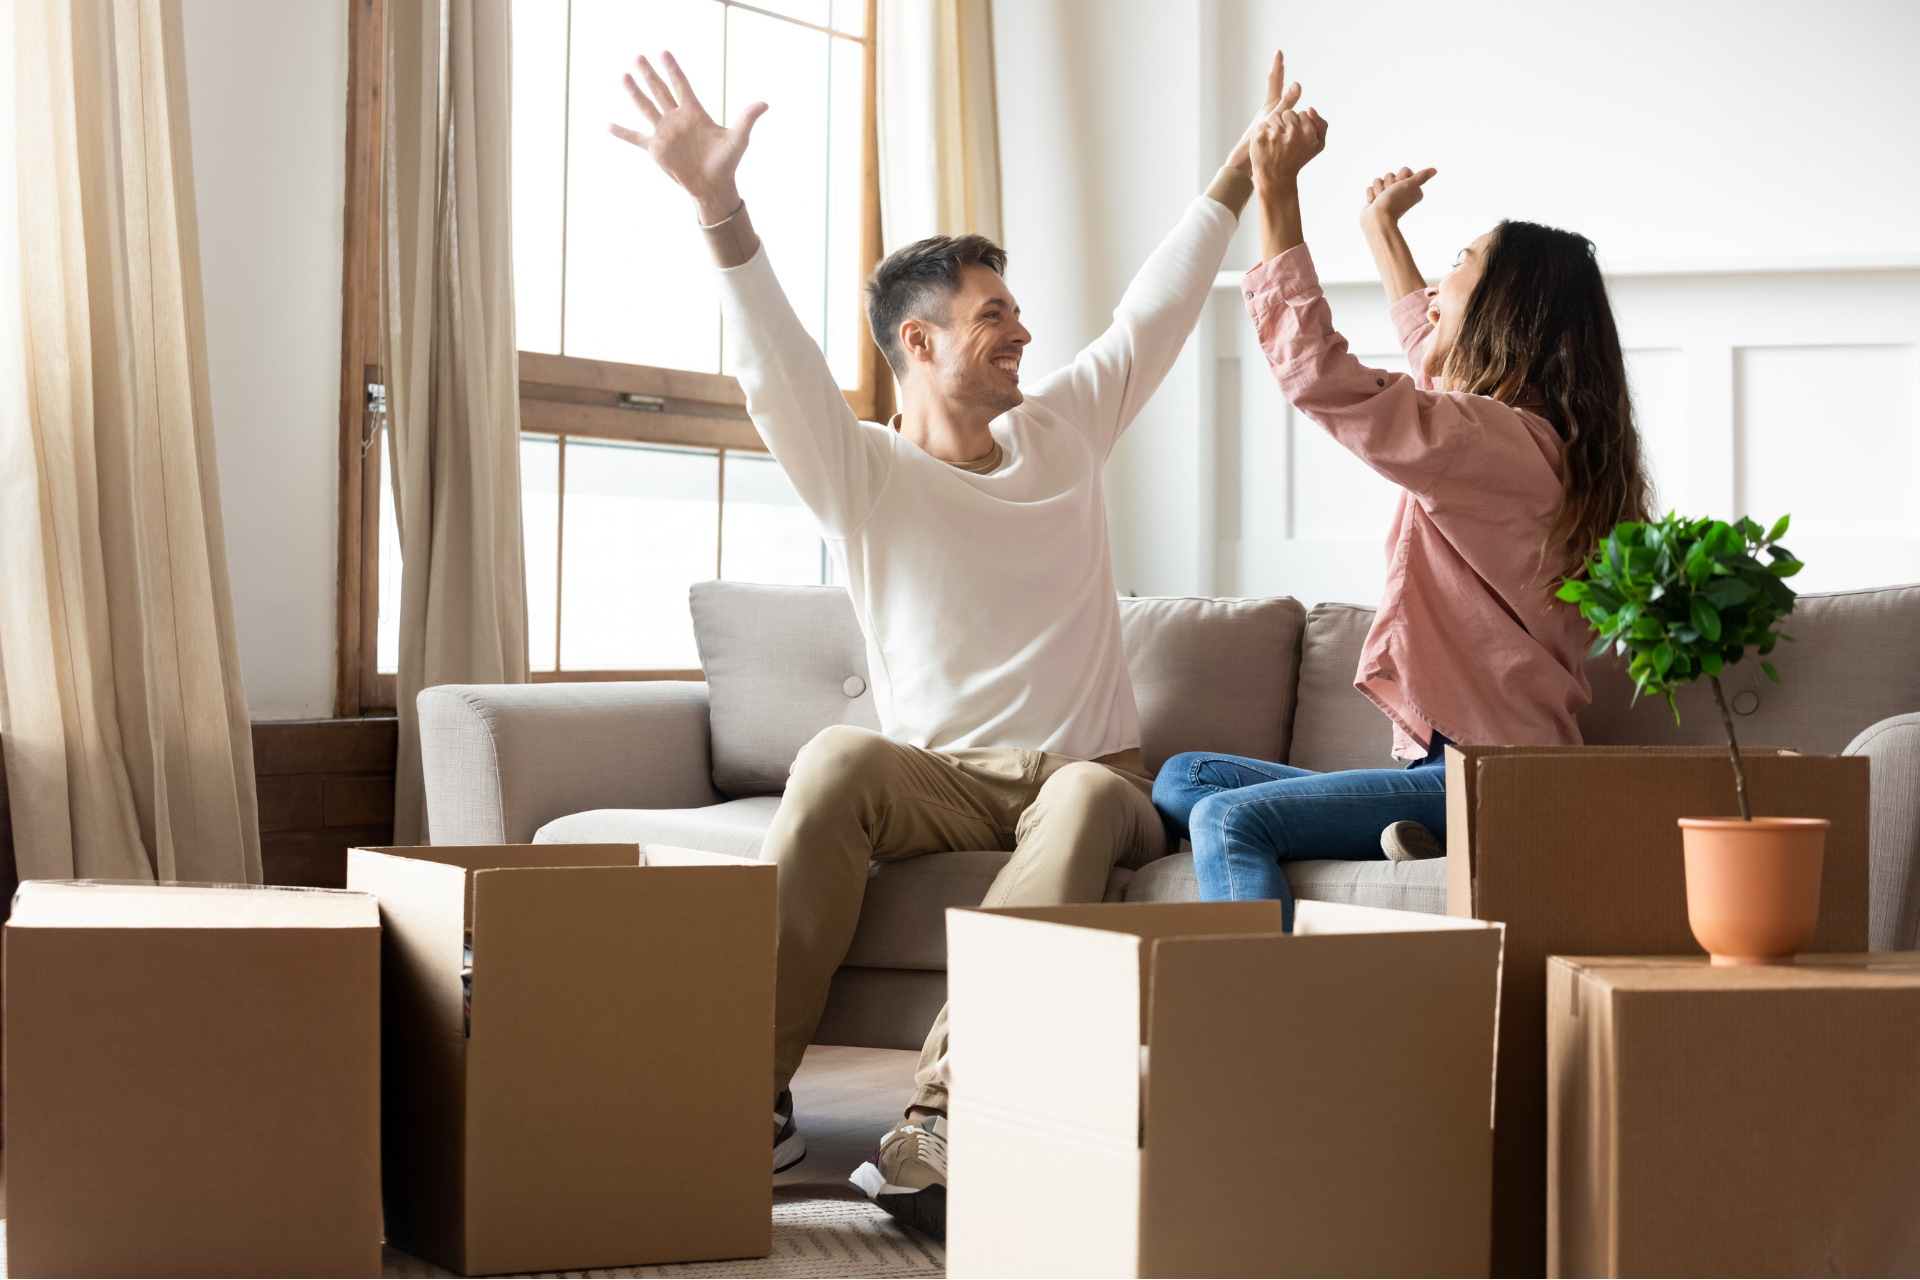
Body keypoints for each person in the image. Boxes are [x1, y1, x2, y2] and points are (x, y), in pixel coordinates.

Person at [610, 47, 1294, 1237]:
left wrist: (1237, 175)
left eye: (1018, 313)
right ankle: (738, 1094)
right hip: (941, 781)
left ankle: (942, 1119)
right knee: (832, 758)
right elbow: (777, 378)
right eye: (994, 316)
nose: (1022, 332)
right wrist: (720, 209)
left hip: (1089, 776)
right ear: (917, 344)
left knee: (1082, 800)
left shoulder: (1065, 430)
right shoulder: (864, 474)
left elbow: (1159, 310)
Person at [1154, 86, 1651, 913]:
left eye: (1459, 263)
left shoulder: (1500, 444)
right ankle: (1429, 830)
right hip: (1454, 770)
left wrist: (1277, 195)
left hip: (1493, 773)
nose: (1438, 285)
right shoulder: (1523, 438)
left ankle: (1258, 1031)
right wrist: (1382, 231)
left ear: (1504, 309)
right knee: (1184, 777)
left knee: (1225, 819)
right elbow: (1435, 361)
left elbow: (1324, 377)